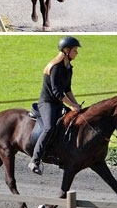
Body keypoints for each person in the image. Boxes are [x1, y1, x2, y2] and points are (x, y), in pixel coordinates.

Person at [28, 36, 83, 175]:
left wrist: (76, 104)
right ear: (66, 50)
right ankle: (34, 160)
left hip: (59, 102)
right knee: (49, 127)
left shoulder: (69, 67)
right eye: (75, 50)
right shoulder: (56, 68)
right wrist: (71, 105)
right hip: (47, 103)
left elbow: (68, 89)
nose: (77, 52)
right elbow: (57, 92)